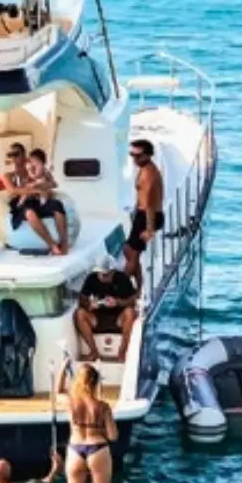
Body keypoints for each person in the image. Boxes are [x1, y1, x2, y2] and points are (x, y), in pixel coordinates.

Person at [61, 363, 117, 483]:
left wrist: (62, 369)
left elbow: (60, 390)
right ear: (95, 382)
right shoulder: (102, 407)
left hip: (75, 450)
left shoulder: (71, 403)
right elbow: (113, 435)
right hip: (97, 449)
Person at [72, 263, 138, 362]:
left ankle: (122, 351)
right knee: (79, 313)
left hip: (118, 317)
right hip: (97, 316)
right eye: (101, 274)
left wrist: (118, 302)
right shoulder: (92, 278)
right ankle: (94, 352)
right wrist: (90, 304)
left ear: (112, 272)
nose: (102, 276)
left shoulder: (122, 278)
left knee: (130, 313)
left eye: (106, 274)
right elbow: (82, 299)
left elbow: (133, 300)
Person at [9, 148, 68, 256]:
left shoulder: (39, 171)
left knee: (57, 205)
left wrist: (41, 185)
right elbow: (14, 191)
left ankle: (64, 241)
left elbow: (53, 184)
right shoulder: (16, 174)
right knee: (29, 212)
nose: (15, 159)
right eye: (12, 156)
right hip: (26, 202)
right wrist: (32, 189)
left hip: (39, 201)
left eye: (17, 155)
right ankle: (52, 244)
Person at [123, 138, 164, 282]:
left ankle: (120, 287)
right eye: (132, 155)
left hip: (148, 217)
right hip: (142, 215)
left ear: (148, 155)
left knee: (132, 253)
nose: (135, 159)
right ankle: (138, 287)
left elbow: (149, 205)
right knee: (130, 251)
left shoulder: (149, 175)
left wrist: (149, 229)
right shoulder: (144, 168)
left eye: (138, 156)